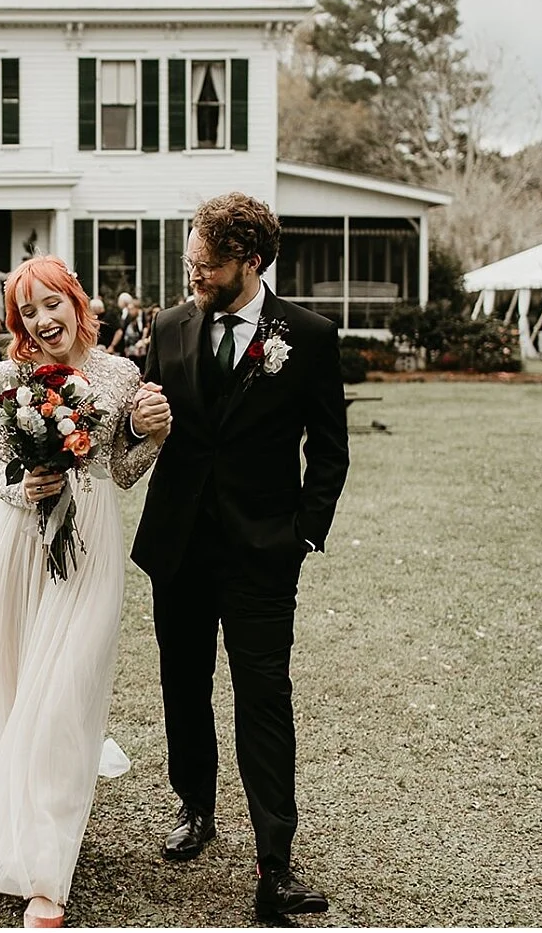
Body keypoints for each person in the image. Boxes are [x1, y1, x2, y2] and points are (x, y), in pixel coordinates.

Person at [0, 255, 171, 928]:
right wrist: (27, 487)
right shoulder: (7, 378)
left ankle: (46, 877)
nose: (43, 320)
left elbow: (121, 470)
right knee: (13, 684)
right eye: (28, 311)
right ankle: (7, 815)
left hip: (93, 542)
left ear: (76, 302)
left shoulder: (120, 373)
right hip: (20, 543)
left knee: (66, 693)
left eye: (53, 303)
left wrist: (152, 434)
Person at [132, 192, 349, 920]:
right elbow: (133, 428)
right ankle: (195, 804)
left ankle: (276, 860)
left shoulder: (310, 336)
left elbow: (330, 449)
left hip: (263, 552)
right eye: (190, 260)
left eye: (207, 265)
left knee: (264, 696)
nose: (193, 274)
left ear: (250, 262)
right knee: (183, 684)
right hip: (180, 544)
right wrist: (139, 421)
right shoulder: (166, 326)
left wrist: (302, 532)